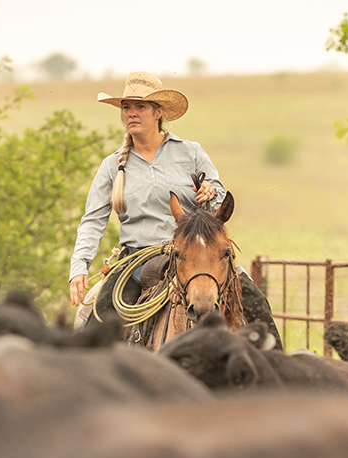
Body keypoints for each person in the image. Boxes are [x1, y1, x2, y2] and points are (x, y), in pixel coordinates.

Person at [68, 71, 282, 348]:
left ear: (159, 112)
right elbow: (93, 221)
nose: (131, 113)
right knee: (99, 318)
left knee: (254, 300)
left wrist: (211, 192)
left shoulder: (190, 152)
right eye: (126, 107)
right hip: (138, 261)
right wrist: (79, 266)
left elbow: (217, 201)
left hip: (196, 254)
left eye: (140, 106)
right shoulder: (112, 166)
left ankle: (280, 370)